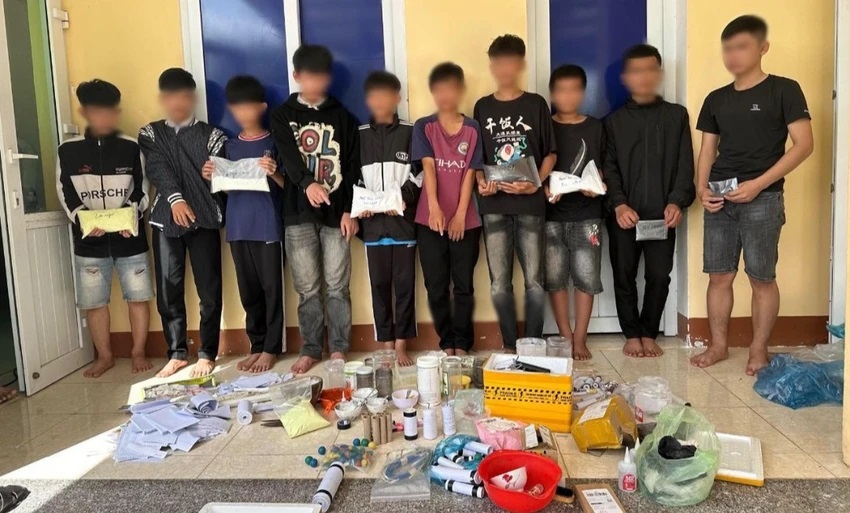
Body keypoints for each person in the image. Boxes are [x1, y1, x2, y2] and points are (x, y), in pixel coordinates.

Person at [691, 15, 813, 374]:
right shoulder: (716, 98)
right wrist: (701, 189)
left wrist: (758, 183)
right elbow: (707, 151)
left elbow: (804, 145)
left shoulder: (784, 90)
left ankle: (759, 349)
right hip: (720, 198)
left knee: (761, 278)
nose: (733, 55)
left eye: (741, 47)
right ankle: (718, 346)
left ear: (763, 48)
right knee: (719, 276)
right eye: (727, 48)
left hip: (764, 198)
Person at [270, 45, 360, 374]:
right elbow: (288, 157)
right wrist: (307, 183)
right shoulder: (282, 115)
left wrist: (349, 210)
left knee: (337, 286)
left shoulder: (343, 117)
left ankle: (338, 347)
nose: (315, 83)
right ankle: (310, 348)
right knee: (307, 288)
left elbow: (353, 166)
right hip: (297, 214)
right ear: (297, 76)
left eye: (321, 76)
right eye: (309, 76)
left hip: (337, 215)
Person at [57, 79, 153, 378]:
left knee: (138, 297)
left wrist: (131, 216)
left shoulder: (131, 147)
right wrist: (84, 220)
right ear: (85, 112)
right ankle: (105, 356)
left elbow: (143, 187)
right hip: (89, 241)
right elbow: (65, 191)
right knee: (95, 302)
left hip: (129, 238)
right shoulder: (67, 150)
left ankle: (138, 351)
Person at [604, 44, 695, 358]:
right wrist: (618, 204)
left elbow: (685, 165)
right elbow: (609, 168)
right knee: (623, 273)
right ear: (626, 78)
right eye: (636, 71)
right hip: (624, 214)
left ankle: (649, 331)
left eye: (650, 69)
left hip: (662, 214)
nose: (643, 76)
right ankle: (632, 333)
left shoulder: (676, 116)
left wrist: (677, 202)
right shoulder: (613, 122)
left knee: (658, 275)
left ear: (659, 74)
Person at [139, 68, 227, 378]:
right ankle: (176, 353)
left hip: (204, 220)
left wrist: (215, 174)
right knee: (168, 290)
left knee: (209, 291)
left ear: (192, 98)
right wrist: (176, 199)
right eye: (172, 96)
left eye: (185, 96)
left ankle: (207, 353)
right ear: (163, 99)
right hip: (165, 220)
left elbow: (223, 176)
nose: (178, 102)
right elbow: (157, 168)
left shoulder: (213, 136)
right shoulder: (150, 134)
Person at [473, 34, 556, 352]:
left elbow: (550, 154)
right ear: (492, 66)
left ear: (521, 64)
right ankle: (509, 344)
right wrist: (481, 181)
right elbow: (477, 159)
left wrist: (535, 182)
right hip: (494, 206)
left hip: (530, 204)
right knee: (499, 282)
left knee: (534, 279)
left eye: (511, 62)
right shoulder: (482, 107)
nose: (504, 68)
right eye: (498, 62)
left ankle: (533, 343)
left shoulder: (536, 104)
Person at [201, 75, 285, 374]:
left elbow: (288, 187)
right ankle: (257, 344)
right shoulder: (229, 147)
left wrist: (274, 172)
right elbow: (227, 188)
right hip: (237, 227)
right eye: (236, 107)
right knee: (248, 292)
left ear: (261, 107)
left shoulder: (275, 143)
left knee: (272, 289)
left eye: (248, 106)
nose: (242, 112)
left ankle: (272, 347)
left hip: (267, 226)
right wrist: (212, 176)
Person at [412, 62, 483, 356]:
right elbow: (428, 167)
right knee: (436, 285)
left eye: (451, 89)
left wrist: (460, 215)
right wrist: (435, 208)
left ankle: (463, 343)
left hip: (466, 220)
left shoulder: (472, 128)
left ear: (460, 91)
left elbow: (470, 173)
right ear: (433, 92)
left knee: (463, 285)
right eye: (439, 89)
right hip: (429, 219)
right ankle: (447, 343)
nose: (445, 95)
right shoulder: (423, 127)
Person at [357, 71, 421, 366]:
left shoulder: (410, 132)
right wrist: (361, 203)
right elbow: (353, 176)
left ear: (397, 98)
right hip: (372, 227)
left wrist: (403, 198)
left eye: (386, 96)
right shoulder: (359, 135)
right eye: (375, 96)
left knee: (405, 288)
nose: (380, 102)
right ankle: (385, 344)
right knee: (379, 287)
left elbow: (420, 174)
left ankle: (401, 345)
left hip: (402, 224)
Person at [544, 65, 606, 361]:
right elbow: (537, 167)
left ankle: (580, 338)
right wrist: (544, 190)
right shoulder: (545, 127)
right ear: (552, 94)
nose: (567, 96)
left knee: (587, 277)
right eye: (561, 90)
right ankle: (565, 336)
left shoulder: (595, 127)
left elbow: (604, 166)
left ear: (583, 93)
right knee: (555, 278)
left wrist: (598, 185)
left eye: (574, 90)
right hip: (551, 216)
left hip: (588, 215)